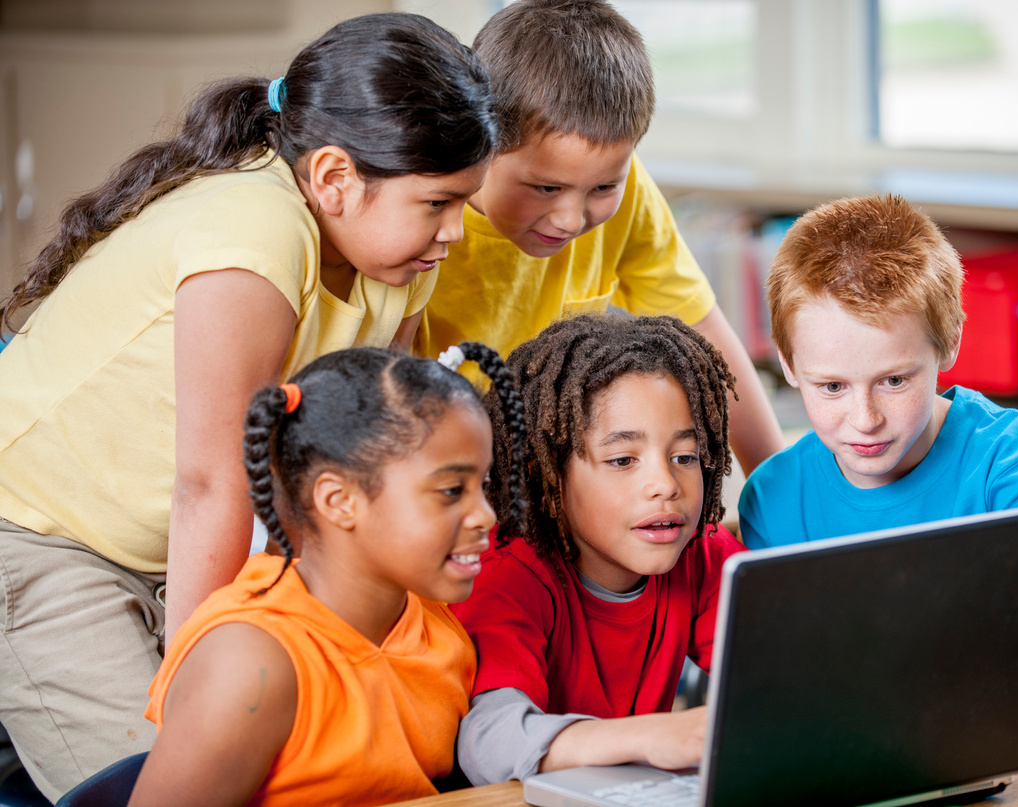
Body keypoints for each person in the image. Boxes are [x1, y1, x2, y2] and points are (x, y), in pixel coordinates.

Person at [0, 13, 495, 800]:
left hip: (176, 540)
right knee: (175, 767)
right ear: (334, 177)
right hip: (40, 536)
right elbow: (211, 483)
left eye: (462, 202)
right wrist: (207, 675)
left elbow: (369, 447)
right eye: (438, 202)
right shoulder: (254, 232)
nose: (455, 233)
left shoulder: (401, 256)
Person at [738, 194, 1018, 785]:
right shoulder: (773, 497)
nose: (864, 418)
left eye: (894, 380)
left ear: (948, 346)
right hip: (894, 769)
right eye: (832, 387)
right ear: (789, 366)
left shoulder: (1006, 455)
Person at [130, 344, 526, 806]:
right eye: (451, 490)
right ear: (338, 501)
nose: (485, 517)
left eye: (483, 486)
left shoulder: (438, 628)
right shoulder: (252, 664)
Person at [411, 0, 784, 476]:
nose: (570, 218)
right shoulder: (423, 219)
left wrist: (777, 482)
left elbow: (706, 339)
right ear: (482, 138)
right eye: (545, 187)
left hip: (547, 477)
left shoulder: (631, 195)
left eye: (604, 187)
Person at [450, 314, 747, 784]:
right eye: (622, 460)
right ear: (544, 473)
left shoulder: (702, 554)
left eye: (685, 457)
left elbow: (788, 679)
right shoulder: (507, 575)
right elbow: (488, 741)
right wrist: (649, 736)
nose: (665, 485)